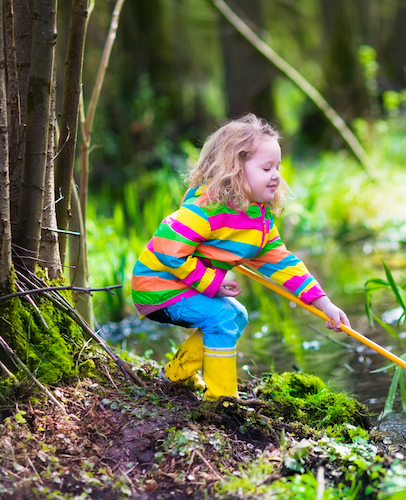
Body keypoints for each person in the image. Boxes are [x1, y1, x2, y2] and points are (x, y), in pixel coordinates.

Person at [131, 113, 350, 400]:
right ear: (234, 169)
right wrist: (211, 281)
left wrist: (326, 305)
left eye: (278, 167)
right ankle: (222, 399)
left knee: (237, 314)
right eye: (266, 167)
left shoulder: (258, 224)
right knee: (222, 316)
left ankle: (176, 375)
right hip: (156, 286)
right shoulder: (203, 211)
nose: (276, 176)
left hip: (184, 287)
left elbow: (285, 266)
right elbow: (168, 252)